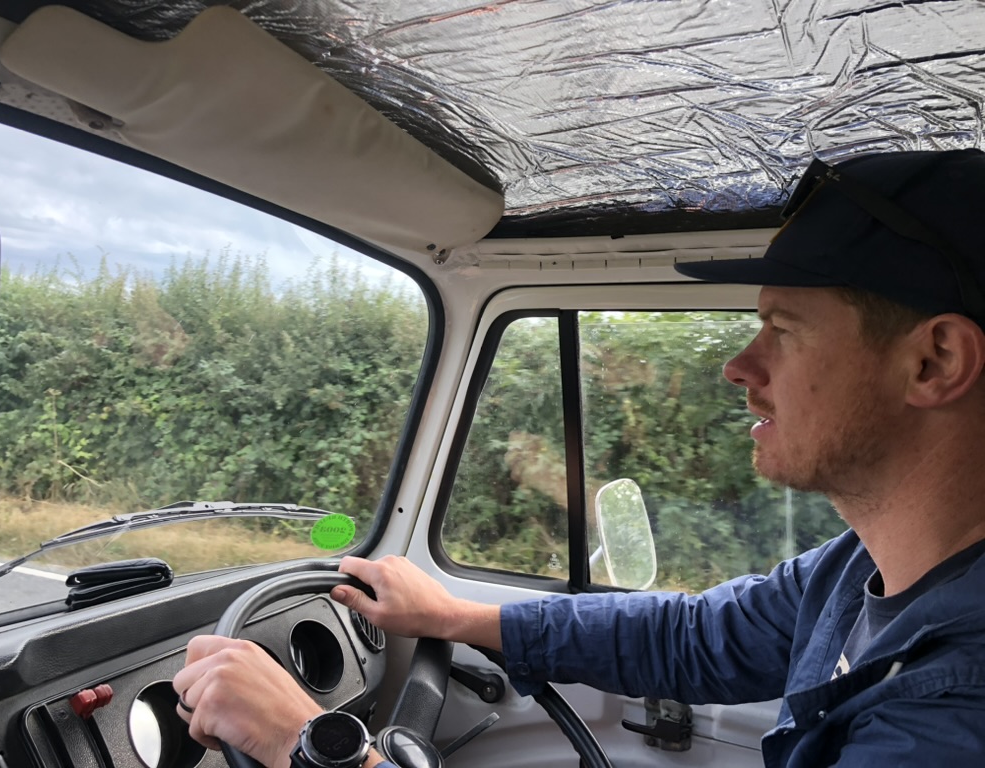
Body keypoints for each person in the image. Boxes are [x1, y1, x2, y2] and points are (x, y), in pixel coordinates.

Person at [174, 148, 985, 767]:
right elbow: (694, 638)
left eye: (784, 329)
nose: (740, 366)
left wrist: (309, 744)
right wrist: (457, 618)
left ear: (935, 361)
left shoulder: (953, 712)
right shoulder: (860, 569)